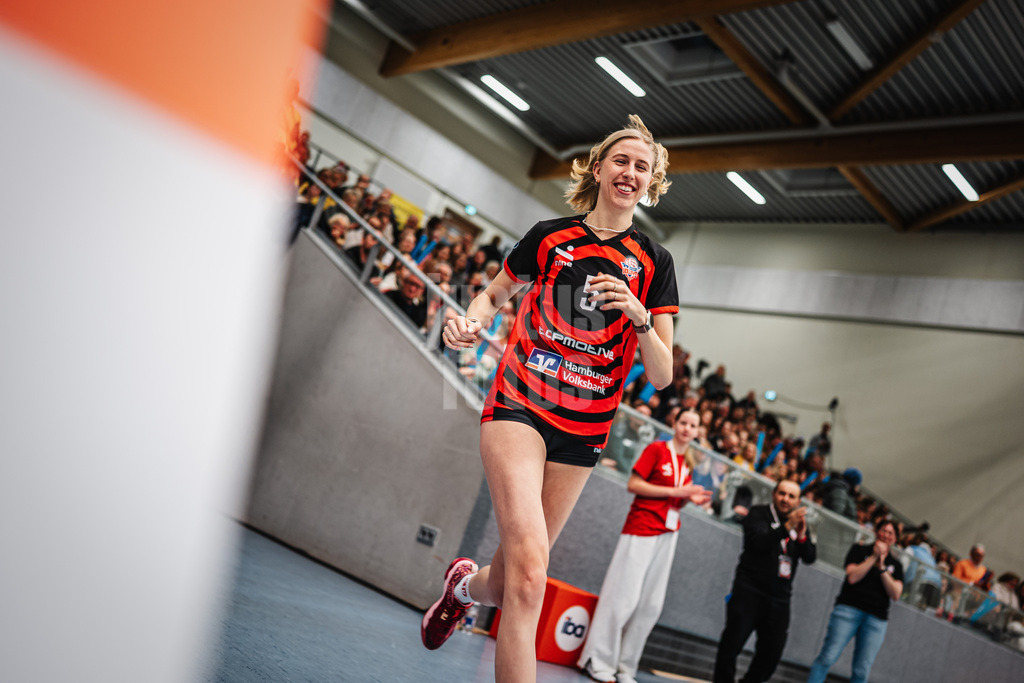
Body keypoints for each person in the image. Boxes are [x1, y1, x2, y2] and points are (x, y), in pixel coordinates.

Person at [421, 115, 678, 683]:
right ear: (599, 167)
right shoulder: (548, 235)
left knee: (515, 572)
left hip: (584, 430)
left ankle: (464, 587)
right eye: (621, 160)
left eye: (642, 166)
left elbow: (661, 376)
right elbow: (492, 294)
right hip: (521, 404)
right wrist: (467, 322)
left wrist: (639, 319)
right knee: (533, 576)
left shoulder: (656, 264)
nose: (629, 172)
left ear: (651, 181)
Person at [578, 410, 711, 683]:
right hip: (641, 527)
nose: (687, 428)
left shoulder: (687, 462)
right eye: (683, 422)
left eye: (693, 425)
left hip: (668, 533)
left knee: (650, 605)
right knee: (623, 598)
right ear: (674, 424)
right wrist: (677, 492)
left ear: (698, 432)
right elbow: (634, 483)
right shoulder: (656, 449)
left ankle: (625, 667)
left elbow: (676, 498)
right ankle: (597, 659)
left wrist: (689, 499)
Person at [712, 480, 816, 683]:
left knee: (771, 655)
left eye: (791, 496)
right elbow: (759, 542)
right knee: (731, 645)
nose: (785, 499)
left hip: (780, 599)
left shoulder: (799, 523)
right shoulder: (758, 513)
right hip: (749, 591)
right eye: (782, 494)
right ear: (774, 495)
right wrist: (787, 527)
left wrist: (802, 536)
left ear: (798, 501)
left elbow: (810, 557)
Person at [806, 519, 904, 683]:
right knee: (828, 656)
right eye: (883, 531)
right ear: (876, 532)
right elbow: (852, 577)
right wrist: (873, 557)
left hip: (876, 620)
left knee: (862, 669)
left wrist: (882, 567)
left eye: (890, 533)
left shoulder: (896, 565)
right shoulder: (859, 550)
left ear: (894, 539)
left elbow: (895, 593)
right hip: (848, 610)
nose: (886, 535)